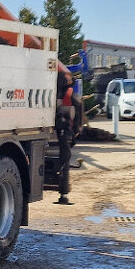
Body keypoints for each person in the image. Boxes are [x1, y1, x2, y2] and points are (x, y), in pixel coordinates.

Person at [54, 70, 82, 205]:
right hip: (66, 131)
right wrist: (77, 130)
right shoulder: (71, 95)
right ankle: (63, 194)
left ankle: (63, 193)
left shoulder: (57, 94)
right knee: (65, 162)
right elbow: (78, 109)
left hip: (59, 130)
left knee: (63, 161)